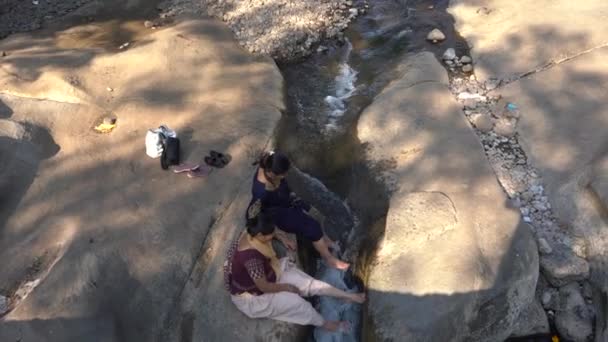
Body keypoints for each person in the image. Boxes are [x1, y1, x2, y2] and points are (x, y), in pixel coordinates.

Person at [224, 204, 365, 331]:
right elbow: (264, 287)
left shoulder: (251, 231)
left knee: (311, 284)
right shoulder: (251, 258)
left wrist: (282, 237)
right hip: (253, 296)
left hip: (270, 273)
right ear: (260, 235)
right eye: (270, 235)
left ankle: (348, 296)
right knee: (299, 304)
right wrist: (288, 288)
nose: (272, 236)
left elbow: (271, 232)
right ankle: (326, 324)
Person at [248, 151, 349, 270]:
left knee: (315, 213)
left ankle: (324, 241)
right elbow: (252, 216)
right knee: (312, 226)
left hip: (285, 200)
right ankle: (328, 258)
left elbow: (273, 154)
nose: (284, 176)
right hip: (275, 212)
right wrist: (278, 234)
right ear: (270, 173)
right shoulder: (260, 191)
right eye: (282, 174)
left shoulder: (271, 161)